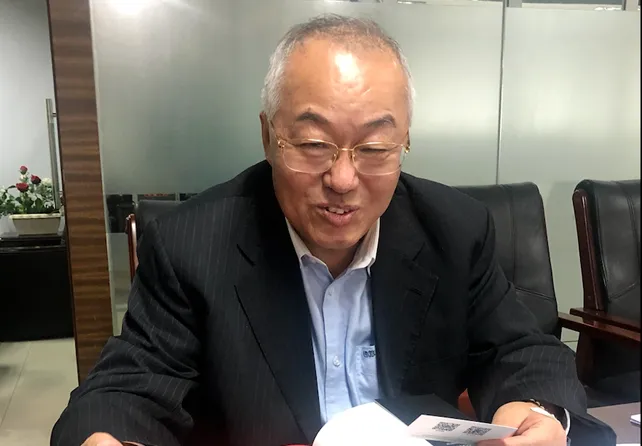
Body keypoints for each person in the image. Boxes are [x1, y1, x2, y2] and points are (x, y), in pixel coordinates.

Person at [53, 14, 588, 446]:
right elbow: (127, 387)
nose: (343, 179)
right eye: (313, 145)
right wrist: (106, 435)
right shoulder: (192, 246)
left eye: (374, 148)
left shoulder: (454, 228)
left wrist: (533, 412)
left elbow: (522, 350)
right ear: (268, 137)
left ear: (404, 142)